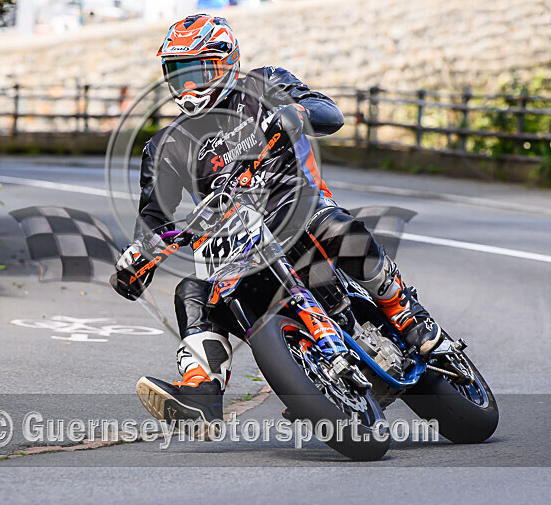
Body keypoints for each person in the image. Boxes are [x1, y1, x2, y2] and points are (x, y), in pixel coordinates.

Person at [113, 14, 442, 427]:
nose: (190, 86)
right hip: (235, 243)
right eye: (179, 75)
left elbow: (330, 113)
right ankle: (201, 392)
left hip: (298, 212)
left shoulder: (263, 84)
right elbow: (154, 219)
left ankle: (406, 313)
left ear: (226, 62)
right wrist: (136, 261)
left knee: (334, 228)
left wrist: (296, 113)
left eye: (200, 71)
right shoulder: (166, 145)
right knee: (192, 291)